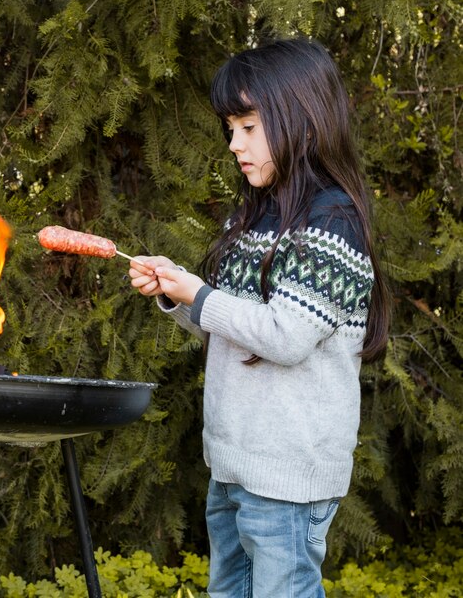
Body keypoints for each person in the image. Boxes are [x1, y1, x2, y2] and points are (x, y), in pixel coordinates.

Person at [128, 38, 390, 597]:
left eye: (248, 127)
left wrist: (201, 295)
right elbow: (232, 323)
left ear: (303, 120)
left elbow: (285, 335)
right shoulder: (255, 217)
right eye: (230, 129)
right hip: (235, 466)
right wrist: (179, 293)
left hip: (288, 477)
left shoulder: (331, 222)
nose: (234, 144)